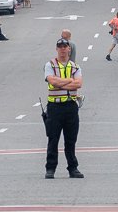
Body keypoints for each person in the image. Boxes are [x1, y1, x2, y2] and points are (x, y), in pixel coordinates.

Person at [44, 38, 83, 179]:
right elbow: (52, 81)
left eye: (64, 46)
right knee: (53, 139)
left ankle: (73, 168)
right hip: (55, 106)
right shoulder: (50, 65)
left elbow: (78, 84)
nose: (62, 49)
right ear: (56, 49)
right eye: (59, 47)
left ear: (69, 49)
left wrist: (61, 83)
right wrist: (69, 81)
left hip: (70, 106)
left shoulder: (75, 66)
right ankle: (50, 169)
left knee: (71, 140)